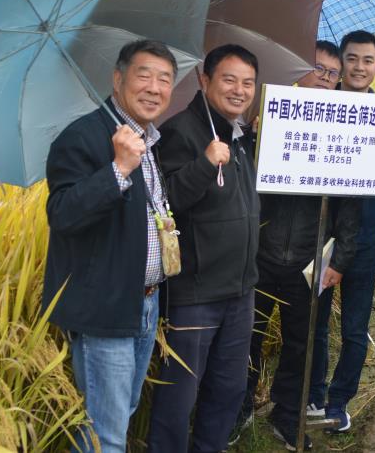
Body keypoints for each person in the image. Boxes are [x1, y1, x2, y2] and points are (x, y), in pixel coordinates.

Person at [43, 39, 178, 453]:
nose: (154, 87)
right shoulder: (82, 137)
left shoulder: (148, 140)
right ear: (117, 79)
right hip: (105, 306)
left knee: (119, 413)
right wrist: (118, 168)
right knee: (106, 433)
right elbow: (62, 214)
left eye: (165, 79)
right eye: (144, 75)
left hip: (145, 303)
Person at [240, 40, 362, 451]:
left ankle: (287, 414)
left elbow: (351, 205)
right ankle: (240, 405)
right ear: (299, 72)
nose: (325, 79)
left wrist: (340, 259)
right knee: (248, 335)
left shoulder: (346, 128)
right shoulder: (269, 116)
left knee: (300, 343)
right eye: (318, 69)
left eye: (332, 73)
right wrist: (254, 138)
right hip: (260, 253)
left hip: (311, 259)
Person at [147, 44, 261, 453]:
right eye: (229, 80)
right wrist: (205, 163)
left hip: (239, 290)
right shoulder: (181, 131)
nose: (239, 90)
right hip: (196, 293)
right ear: (204, 79)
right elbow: (165, 201)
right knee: (179, 396)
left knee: (228, 388)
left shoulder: (239, 133)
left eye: (248, 83)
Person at [309, 30, 375, 434]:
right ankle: (313, 395)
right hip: (320, 237)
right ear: (341, 63)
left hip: (366, 239)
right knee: (315, 324)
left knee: (354, 327)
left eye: (368, 60)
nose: (359, 67)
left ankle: (338, 401)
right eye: (352, 59)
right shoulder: (316, 106)